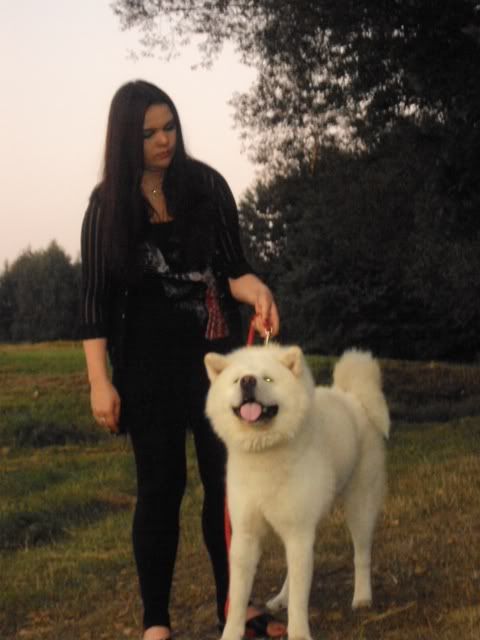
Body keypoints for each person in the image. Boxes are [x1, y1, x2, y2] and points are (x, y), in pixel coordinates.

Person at [80, 80, 285, 640]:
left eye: (169, 127)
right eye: (149, 133)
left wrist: (258, 293)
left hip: (215, 364)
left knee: (227, 485)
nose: (164, 140)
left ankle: (236, 607)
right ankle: (156, 623)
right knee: (160, 488)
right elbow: (94, 303)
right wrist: (100, 382)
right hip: (145, 370)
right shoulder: (106, 207)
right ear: (126, 139)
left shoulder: (207, 187)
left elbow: (233, 269)